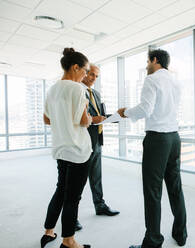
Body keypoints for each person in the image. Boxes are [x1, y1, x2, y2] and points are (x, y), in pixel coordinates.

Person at [118, 49, 187, 248]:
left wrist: (126, 112)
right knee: (175, 187)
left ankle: (153, 242)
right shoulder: (175, 81)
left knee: (152, 191)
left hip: (157, 140)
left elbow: (145, 109)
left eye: (147, 61)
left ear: (155, 60)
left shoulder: (152, 80)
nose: (146, 65)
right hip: (174, 137)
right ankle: (181, 234)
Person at [41, 47, 92, 248]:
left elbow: (46, 119)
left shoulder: (53, 89)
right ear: (75, 67)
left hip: (61, 149)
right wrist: (87, 115)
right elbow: (82, 121)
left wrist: (62, 120)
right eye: (85, 70)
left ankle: (48, 232)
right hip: (78, 150)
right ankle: (69, 241)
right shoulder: (78, 88)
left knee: (61, 191)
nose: (85, 75)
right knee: (73, 198)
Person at [75, 65, 120, 231]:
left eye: (96, 76)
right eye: (91, 74)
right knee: (78, 181)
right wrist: (94, 119)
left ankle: (100, 206)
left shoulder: (96, 94)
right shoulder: (77, 90)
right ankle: (72, 217)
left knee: (96, 177)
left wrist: (115, 117)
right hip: (83, 142)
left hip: (97, 141)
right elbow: (80, 118)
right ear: (84, 73)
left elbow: (99, 116)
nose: (94, 78)